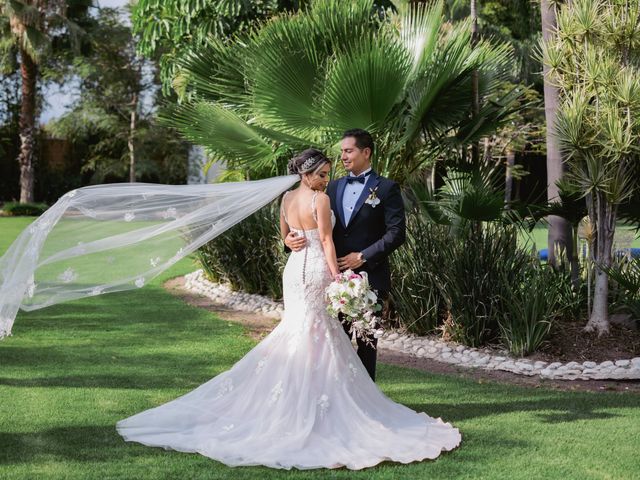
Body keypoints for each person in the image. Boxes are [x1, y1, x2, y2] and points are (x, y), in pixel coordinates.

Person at [116, 149, 461, 469]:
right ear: (308, 174)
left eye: (328, 174)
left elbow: (285, 235)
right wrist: (339, 277)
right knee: (316, 331)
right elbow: (326, 240)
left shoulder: (286, 198)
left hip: (294, 270)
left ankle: (292, 401)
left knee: (301, 330)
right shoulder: (320, 200)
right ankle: (311, 405)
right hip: (315, 271)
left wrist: (290, 240)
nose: (327, 179)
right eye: (323, 174)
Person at [285, 129, 405, 381]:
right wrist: (288, 239)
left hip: (369, 276)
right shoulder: (332, 186)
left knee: (366, 343)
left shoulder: (386, 188)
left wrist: (363, 256)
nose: (343, 157)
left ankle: (366, 399)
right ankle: (332, 397)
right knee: (329, 344)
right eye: (342, 152)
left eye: (348, 151)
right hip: (329, 278)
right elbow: (315, 227)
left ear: (366, 152)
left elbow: (397, 233)